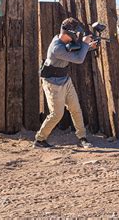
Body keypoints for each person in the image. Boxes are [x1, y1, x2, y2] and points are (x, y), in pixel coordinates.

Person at [33, 18, 97, 148]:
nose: (78, 35)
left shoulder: (63, 41)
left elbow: (75, 52)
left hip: (65, 80)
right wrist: (85, 44)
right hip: (53, 84)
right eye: (76, 33)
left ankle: (82, 137)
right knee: (57, 114)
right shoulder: (57, 47)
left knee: (76, 109)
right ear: (69, 32)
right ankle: (40, 139)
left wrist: (88, 47)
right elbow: (78, 59)